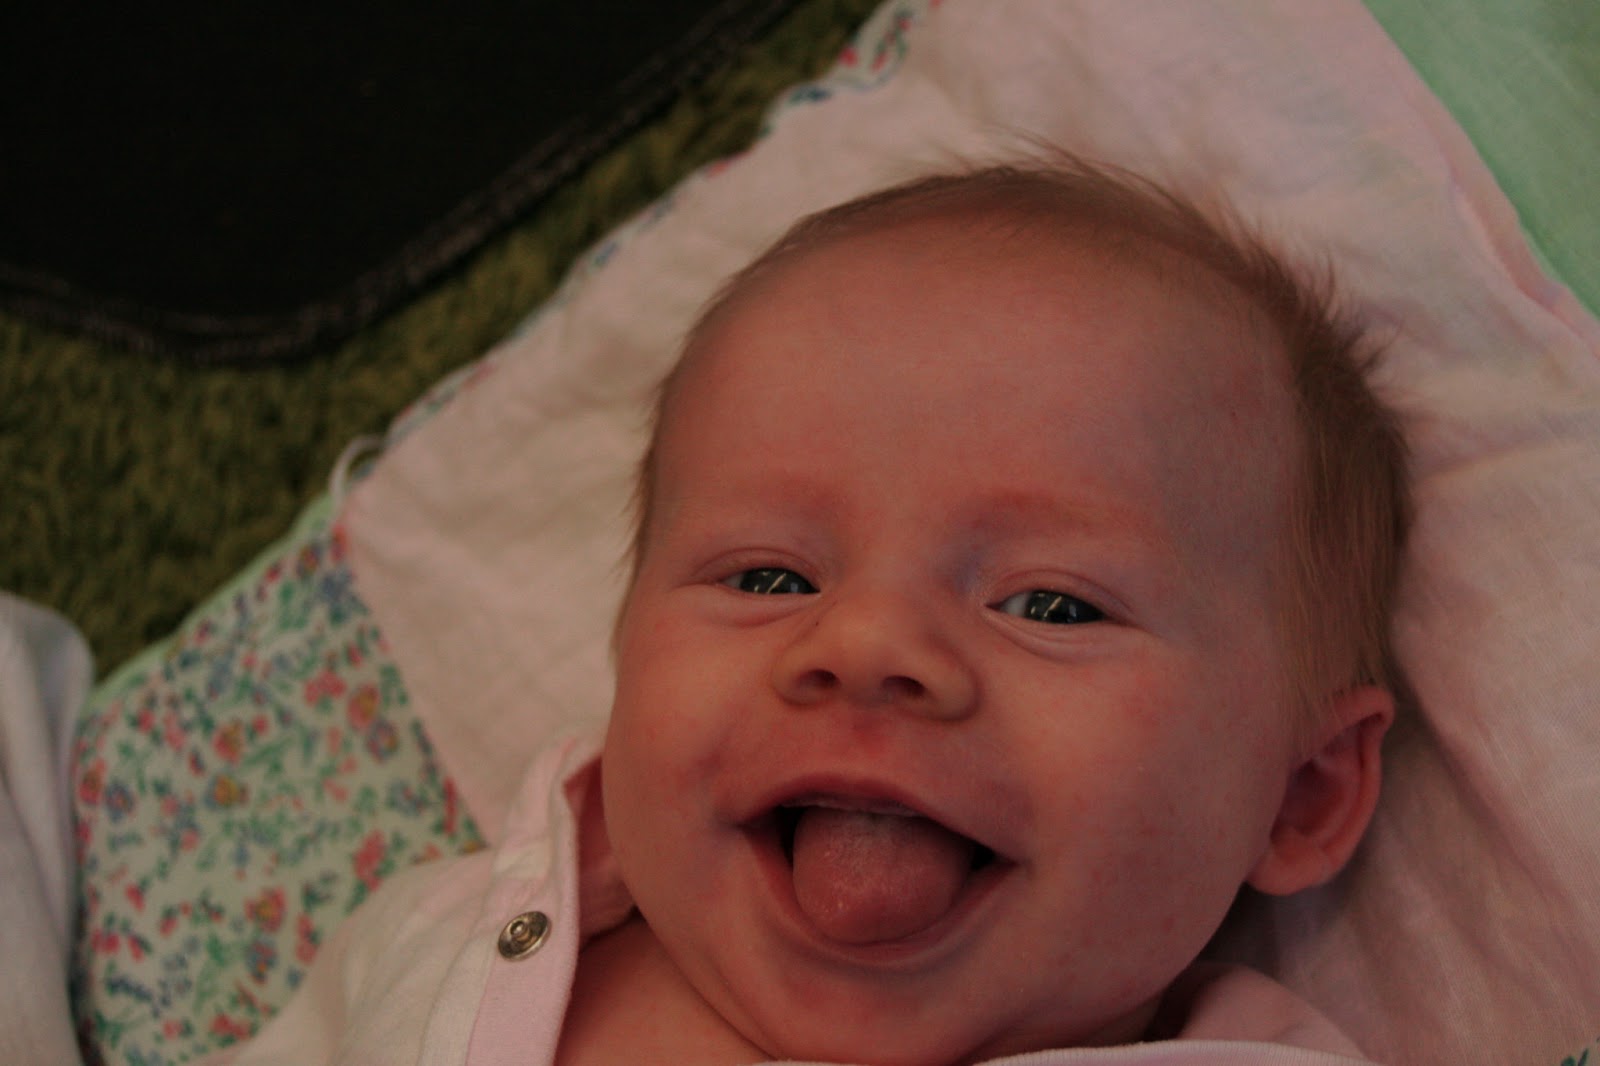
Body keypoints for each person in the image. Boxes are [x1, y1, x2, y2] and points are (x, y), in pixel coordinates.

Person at [212, 158, 1412, 1065]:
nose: (865, 643)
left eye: (1050, 602)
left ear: (1299, 792)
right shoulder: (438, 935)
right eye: (767, 579)